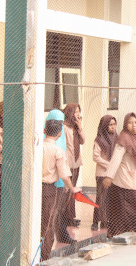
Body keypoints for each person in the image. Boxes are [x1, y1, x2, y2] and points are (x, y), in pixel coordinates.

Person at [41, 120, 81, 260]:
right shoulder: (58, 151)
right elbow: (64, 174)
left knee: (37, 221)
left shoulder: (38, 147)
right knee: (47, 225)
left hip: (35, 189)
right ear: (59, 134)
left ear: (44, 130)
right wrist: (72, 187)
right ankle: (44, 257)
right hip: (49, 191)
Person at [103, 113, 136, 238]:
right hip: (123, 181)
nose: (133, 125)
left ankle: (132, 235)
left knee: (134, 210)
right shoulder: (123, 138)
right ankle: (119, 235)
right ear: (126, 124)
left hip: (135, 180)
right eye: (130, 122)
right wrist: (109, 177)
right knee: (123, 211)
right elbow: (116, 158)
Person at [45, 110, 77, 244]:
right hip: (53, 184)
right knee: (50, 218)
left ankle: (62, 235)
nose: (60, 125)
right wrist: (70, 186)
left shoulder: (45, 140)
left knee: (58, 213)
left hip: (55, 183)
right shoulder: (55, 145)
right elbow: (62, 169)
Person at [91, 115, 118, 231]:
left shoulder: (117, 138)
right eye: (110, 124)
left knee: (109, 199)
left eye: (114, 124)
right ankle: (95, 221)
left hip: (113, 174)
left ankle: (105, 220)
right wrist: (110, 165)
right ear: (105, 126)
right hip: (102, 173)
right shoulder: (99, 140)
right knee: (101, 198)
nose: (113, 127)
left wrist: (113, 167)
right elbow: (95, 157)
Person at [63, 103, 85, 227]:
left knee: (73, 190)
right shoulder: (64, 127)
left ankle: (71, 217)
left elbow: (83, 141)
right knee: (67, 191)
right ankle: (66, 217)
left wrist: (80, 127)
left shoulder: (76, 127)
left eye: (79, 111)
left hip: (76, 163)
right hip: (68, 163)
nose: (77, 114)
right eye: (75, 111)